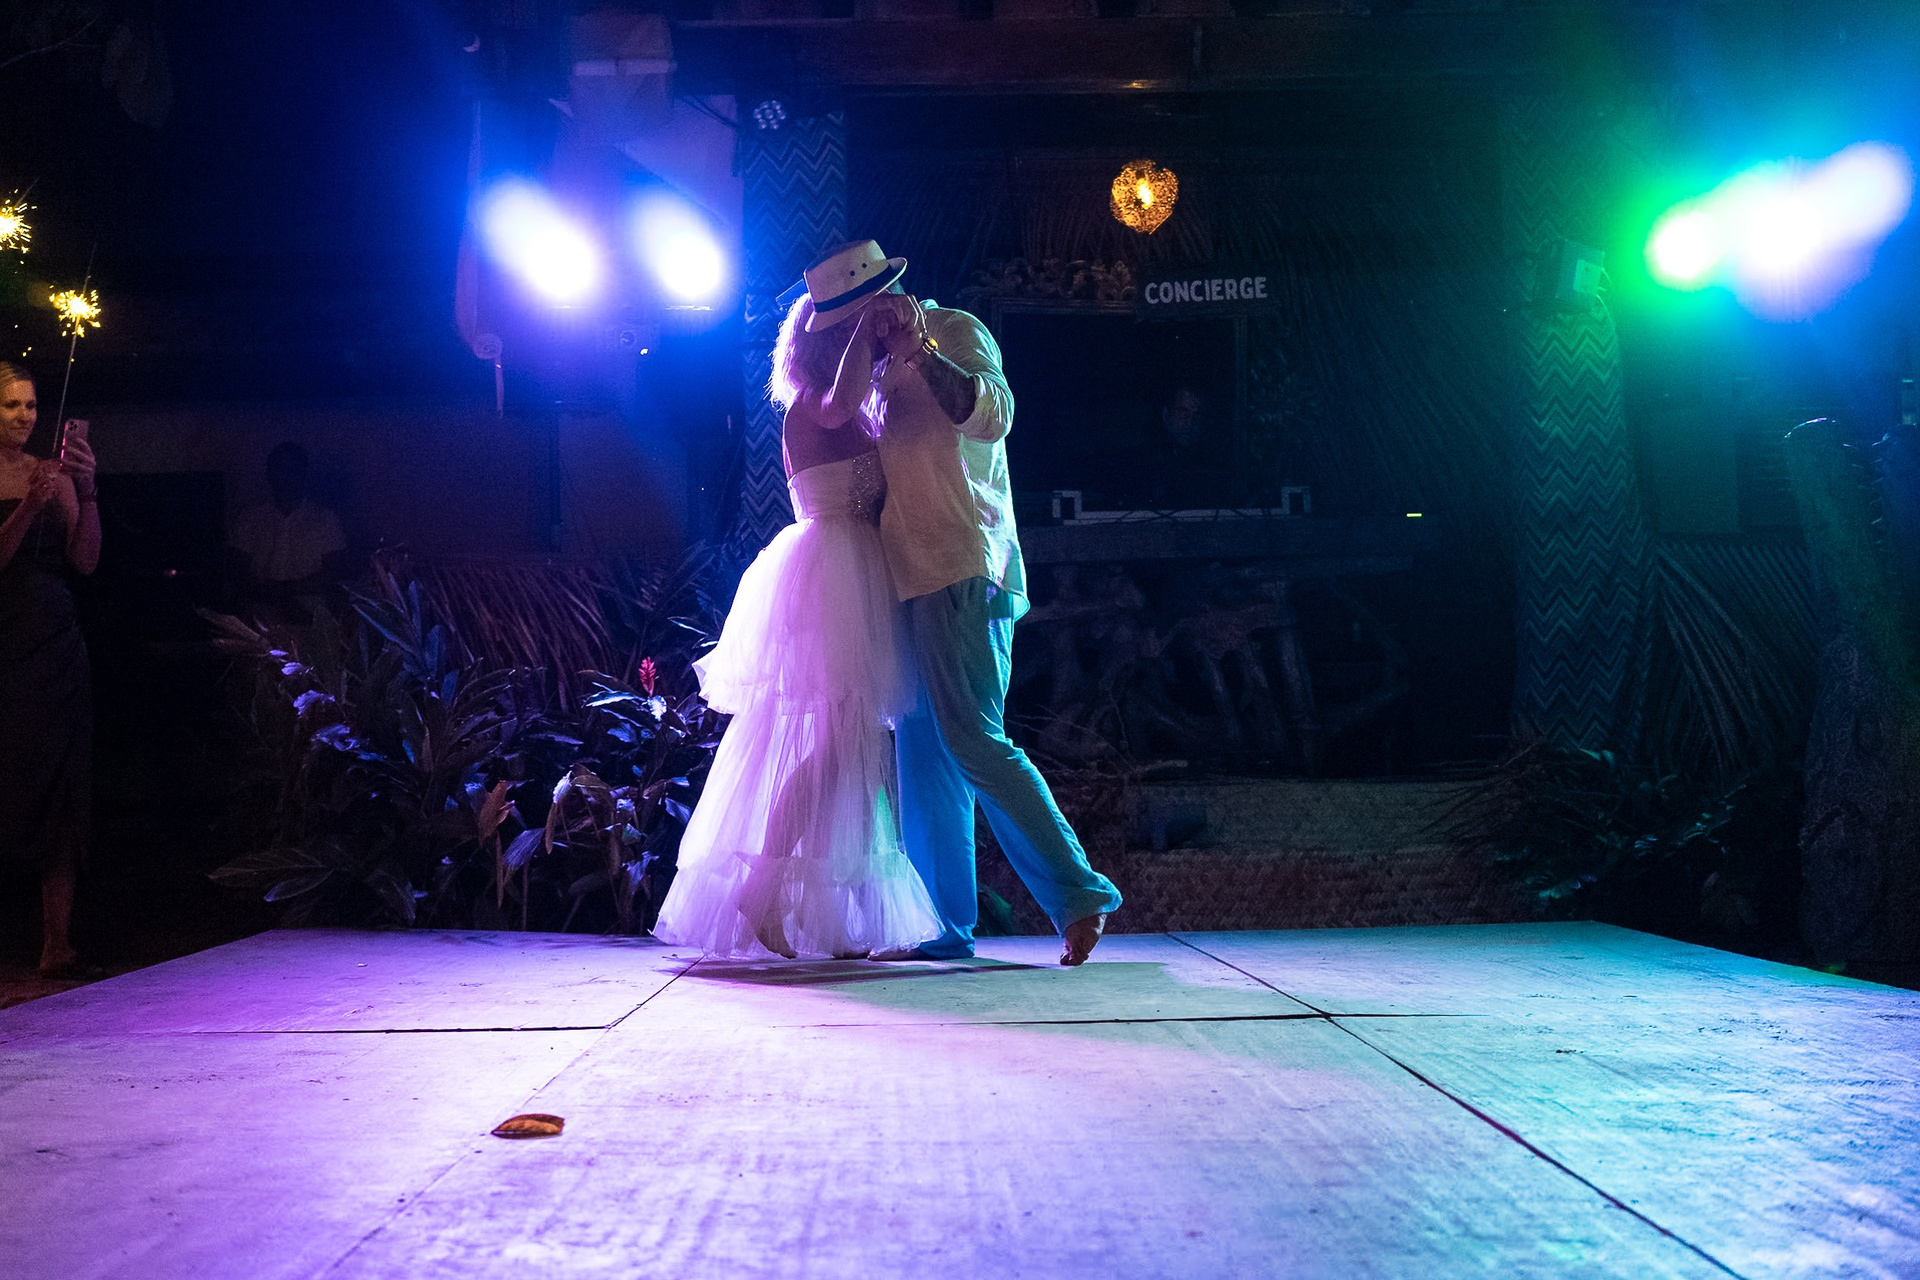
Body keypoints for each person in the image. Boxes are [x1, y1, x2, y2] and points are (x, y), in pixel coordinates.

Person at [843, 240, 1123, 965]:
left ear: (886, 297)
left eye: (855, 312)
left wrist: (921, 350)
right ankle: (941, 925)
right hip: (908, 575)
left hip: (964, 563)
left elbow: (992, 416)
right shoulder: (869, 372)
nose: (853, 325)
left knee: (972, 738)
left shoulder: (954, 329)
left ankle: (1080, 893)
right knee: (923, 752)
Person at [652, 258, 941, 960]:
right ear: (829, 340)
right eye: (852, 328)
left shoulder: (853, 405)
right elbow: (841, 406)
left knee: (857, 752)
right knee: (841, 746)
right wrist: (863, 327)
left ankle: (841, 907)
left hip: (861, 573)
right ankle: (763, 886)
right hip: (834, 574)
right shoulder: (814, 403)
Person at [0, 362, 101, 976]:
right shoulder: (27, 485)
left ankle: (56, 941)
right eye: (11, 405)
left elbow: (85, 562)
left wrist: (85, 492)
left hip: (55, 641)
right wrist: (24, 509)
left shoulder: (51, 474)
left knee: (60, 784)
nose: (25, 416)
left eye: (32, 405)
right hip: (3, 639)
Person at [229, 441, 346, 613]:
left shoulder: (325, 519)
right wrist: (262, 592)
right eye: (281, 469)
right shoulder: (250, 518)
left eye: (293, 469)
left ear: (303, 473)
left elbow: (334, 571)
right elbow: (237, 567)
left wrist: (289, 590)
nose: (287, 476)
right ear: (269, 474)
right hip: (260, 613)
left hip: (309, 614)